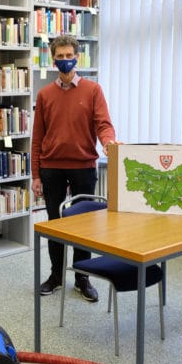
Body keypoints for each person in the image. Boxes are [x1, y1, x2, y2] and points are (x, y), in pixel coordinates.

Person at [31, 35, 118, 301]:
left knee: (84, 226)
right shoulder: (45, 95)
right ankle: (56, 276)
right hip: (52, 168)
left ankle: (82, 277)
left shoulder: (93, 90)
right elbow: (37, 138)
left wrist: (108, 142)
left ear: (77, 57)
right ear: (53, 59)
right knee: (55, 224)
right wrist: (35, 175)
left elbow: (103, 124)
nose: (65, 61)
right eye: (60, 57)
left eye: (69, 56)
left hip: (84, 166)